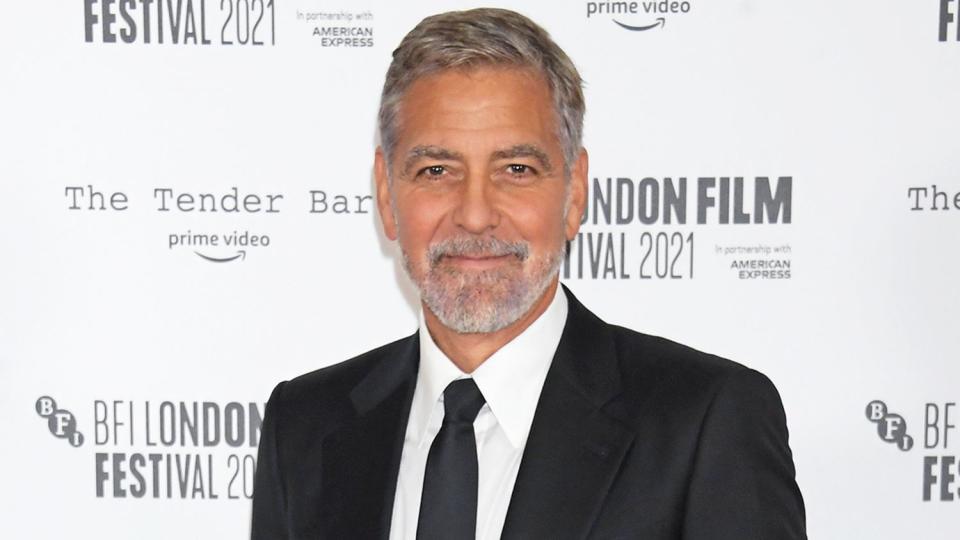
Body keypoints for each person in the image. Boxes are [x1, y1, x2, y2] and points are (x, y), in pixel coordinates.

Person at [251, 8, 806, 540]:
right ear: (386, 195)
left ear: (575, 190)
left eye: (516, 169)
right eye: (435, 170)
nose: (474, 213)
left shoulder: (705, 421)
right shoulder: (303, 427)